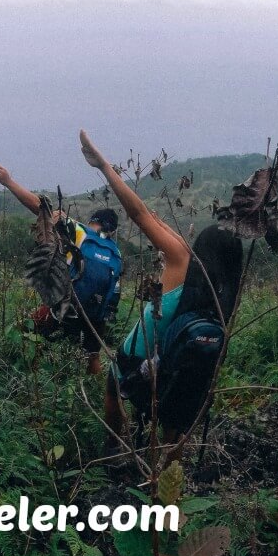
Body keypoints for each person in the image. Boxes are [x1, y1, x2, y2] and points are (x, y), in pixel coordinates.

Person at [78, 131, 242, 454]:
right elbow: (151, 218)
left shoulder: (181, 259)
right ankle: (168, 484)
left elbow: (140, 215)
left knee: (114, 384)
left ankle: (115, 449)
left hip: (139, 360)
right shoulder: (223, 295)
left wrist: (104, 167)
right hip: (177, 370)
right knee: (174, 424)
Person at [0, 162, 121, 376]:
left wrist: (8, 181)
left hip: (64, 306)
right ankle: (95, 390)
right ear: (113, 230)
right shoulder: (116, 253)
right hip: (96, 317)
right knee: (93, 356)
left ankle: (33, 382)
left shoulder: (82, 233)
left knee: (25, 330)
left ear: (93, 221)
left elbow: (41, 209)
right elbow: (113, 296)